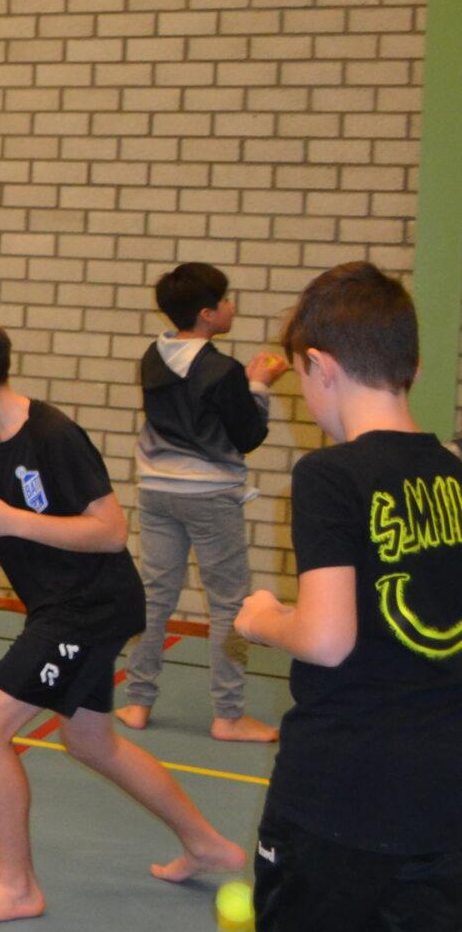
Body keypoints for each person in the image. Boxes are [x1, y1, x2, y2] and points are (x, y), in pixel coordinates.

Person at [0, 310, 244, 925]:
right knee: (91, 742)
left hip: (91, 606)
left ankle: (17, 887)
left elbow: (110, 532)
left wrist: (15, 522)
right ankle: (206, 843)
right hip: (60, 609)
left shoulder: (54, 436)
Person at [236, 262, 462, 932]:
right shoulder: (455, 473)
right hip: (443, 791)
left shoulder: (331, 476)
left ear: (320, 365)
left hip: (339, 790)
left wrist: (264, 617)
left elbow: (327, 637)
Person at [116, 261, 287, 742]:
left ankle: (137, 702)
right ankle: (228, 714)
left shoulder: (153, 356)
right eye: (226, 300)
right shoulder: (222, 369)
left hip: (156, 490)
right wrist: (259, 385)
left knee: (155, 595)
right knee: (229, 603)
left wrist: (242, 385)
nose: (232, 306)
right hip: (209, 494)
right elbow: (248, 435)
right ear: (208, 314)